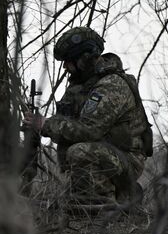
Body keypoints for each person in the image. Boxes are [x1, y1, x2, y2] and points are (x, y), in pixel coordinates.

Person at [23, 26, 148, 204]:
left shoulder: (112, 85)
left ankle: (105, 204)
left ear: (85, 58)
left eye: (68, 60)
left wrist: (45, 124)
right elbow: (67, 126)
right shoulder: (81, 85)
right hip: (106, 155)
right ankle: (92, 199)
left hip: (127, 160)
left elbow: (89, 131)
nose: (65, 66)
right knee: (74, 155)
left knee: (79, 152)